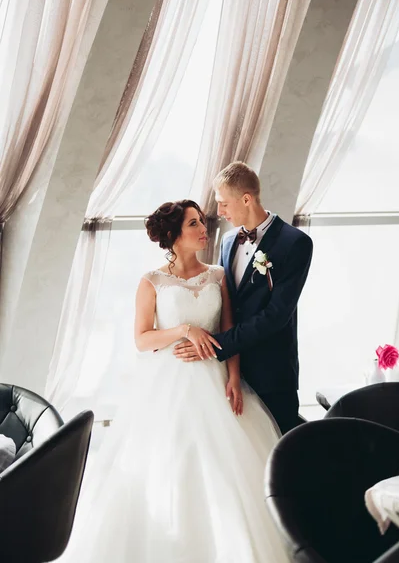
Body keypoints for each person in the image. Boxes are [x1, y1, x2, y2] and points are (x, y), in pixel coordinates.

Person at [58, 199, 289, 563]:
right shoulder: (152, 282)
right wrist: (184, 330)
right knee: (171, 464)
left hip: (215, 379)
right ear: (174, 236)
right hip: (167, 385)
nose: (204, 230)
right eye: (194, 224)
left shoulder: (217, 275)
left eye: (202, 222)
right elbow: (142, 339)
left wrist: (232, 376)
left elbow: (229, 329)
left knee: (227, 469)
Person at [174, 163, 313, 434]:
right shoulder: (227, 241)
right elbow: (224, 304)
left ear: (246, 199)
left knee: (279, 456)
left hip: (271, 374)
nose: (219, 212)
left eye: (223, 203)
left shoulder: (295, 243)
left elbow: (276, 316)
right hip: (227, 374)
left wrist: (215, 345)